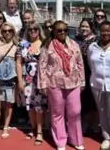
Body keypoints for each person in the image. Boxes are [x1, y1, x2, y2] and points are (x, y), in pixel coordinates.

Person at [38, 20, 86, 150]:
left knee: (75, 112)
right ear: (54, 31)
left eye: (65, 30)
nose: (63, 33)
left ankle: (76, 139)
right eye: (59, 30)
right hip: (54, 84)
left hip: (74, 83)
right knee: (57, 113)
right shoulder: (48, 46)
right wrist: (42, 85)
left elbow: (80, 64)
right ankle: (60, 141)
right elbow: (42, 66)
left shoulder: (74, 45)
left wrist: (82, 81)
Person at [17, 23, 48, 146]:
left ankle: (39, 131)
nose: (33, 31)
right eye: (30, 29)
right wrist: (20, 80)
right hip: (27, 79)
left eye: (35, 28)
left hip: (41, 79)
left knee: (40, 105)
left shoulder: (45, 43)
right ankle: (33, 127)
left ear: (39, 30)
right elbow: (19, 63)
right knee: (29, 104)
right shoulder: (22, 44)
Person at [0, 22, 20, 139]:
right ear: (1, 32)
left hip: (11, 77)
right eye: (5, 31)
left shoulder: (17, 44)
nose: (7, 33)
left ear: (13, 32)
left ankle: (6, 126)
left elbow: (19, 61)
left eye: (10, 30)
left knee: (8, 103)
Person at [74, 18, 99, 134]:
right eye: (82, 26)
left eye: (86, 27)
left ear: (91, 28)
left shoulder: (96, 40)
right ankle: (86, 122)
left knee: (94, 100)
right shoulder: (76, 40)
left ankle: (95, 123)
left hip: (93, 73)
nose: (84, 29)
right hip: (79, 74)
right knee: (83, 100)